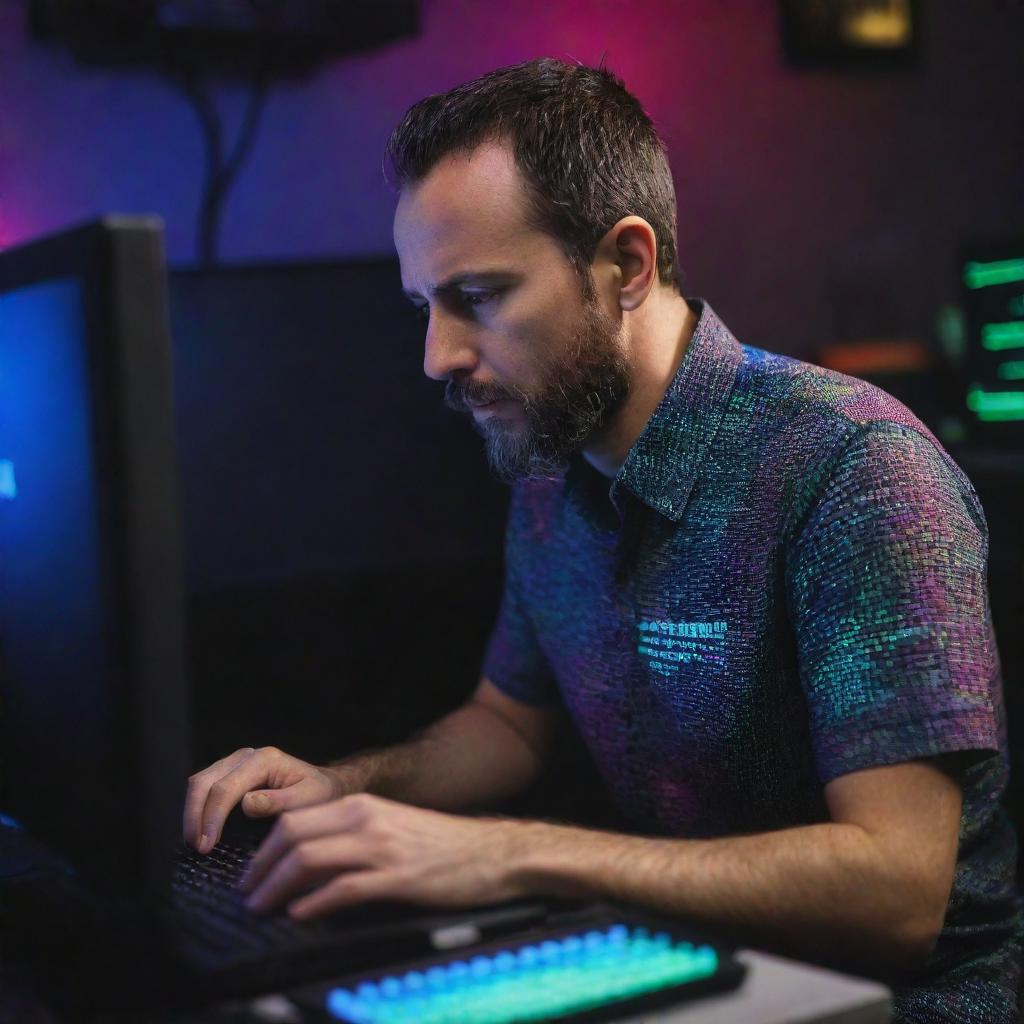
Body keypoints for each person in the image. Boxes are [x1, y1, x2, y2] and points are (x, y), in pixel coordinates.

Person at [182, 58, 1022, 1021]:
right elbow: (508, 722)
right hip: (684, 966)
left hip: (894, 1000)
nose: (438, 358)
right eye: (427, 307)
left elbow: (898, 892)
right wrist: (338, 787)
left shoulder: (855, 468)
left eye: (481, 297)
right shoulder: (552, 456)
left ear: (626, 265)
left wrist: (504, 855)